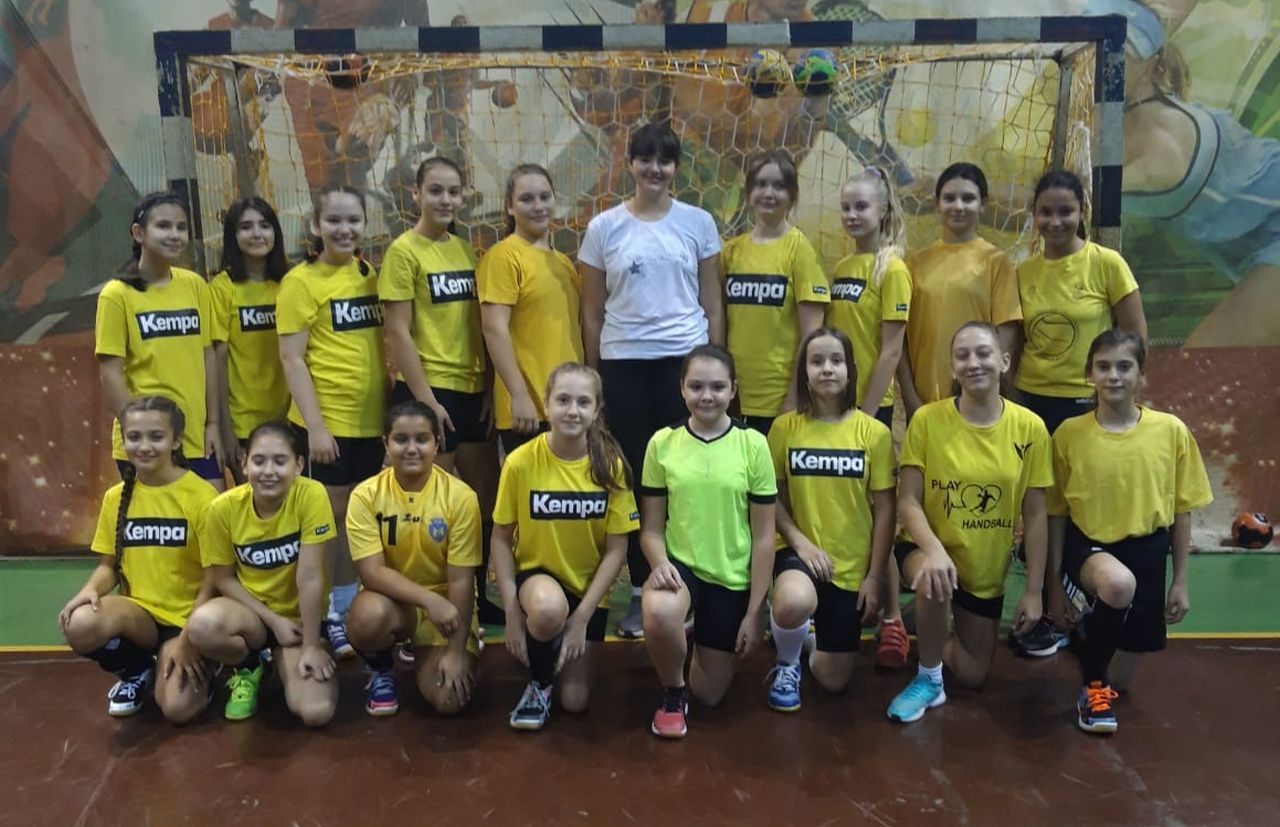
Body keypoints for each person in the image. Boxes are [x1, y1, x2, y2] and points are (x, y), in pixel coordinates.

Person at [579, 122, 724, 639]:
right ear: (631, 164)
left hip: (684, 365)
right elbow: (592, 312)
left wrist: (715, 367)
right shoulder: (604, 228)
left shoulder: (698, 222)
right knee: (638, 479)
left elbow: (712, 303)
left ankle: (690, 586)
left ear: (676, 168)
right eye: (645, 159)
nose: (655, 169)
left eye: (664, 160)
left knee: (685, 478)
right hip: (624, 366)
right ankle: (644, 589)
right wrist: (595, 379)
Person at [1047, 329, 1212, 734]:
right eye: (1103, 366)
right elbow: (1055, 513)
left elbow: (1182, 510)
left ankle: (1088, 634)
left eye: (1124, 366)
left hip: (1148, 552)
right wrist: (1053, 584)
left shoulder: (1170, 430)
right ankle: (1091, 692)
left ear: (1141, 375)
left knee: (1122, 678)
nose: (1113, 376)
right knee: (1118, 586)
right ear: (1089, 375)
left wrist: (1181, 581)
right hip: (1090, 547)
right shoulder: (1069, 434)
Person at [1011, 169, 1147, 658]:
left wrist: (1124, 399)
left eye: (1065, 211)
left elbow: (1135, 338)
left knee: (1080, 509)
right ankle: (1048, 605)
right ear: (1034, 215)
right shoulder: (1023, 273)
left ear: (1082, 211)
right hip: (1033, 405)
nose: (1055, 221)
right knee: (1041, 511)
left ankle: (1081, 600)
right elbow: (1016, 344)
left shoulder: (1107, 264)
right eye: (1045, 212)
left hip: (1086, 406)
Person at [887, 322, 1051, 724]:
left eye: (983, 353)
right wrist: (934, 551)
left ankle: (918, 620)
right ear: (953, 368)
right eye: (962, 356)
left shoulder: (1030, 428)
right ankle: (928, 680)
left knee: (973, 674)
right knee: (934, 577)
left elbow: (1035, 514)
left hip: (983, 568)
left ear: (1004, 362)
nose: (973, 362)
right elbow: (907, 500)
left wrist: (1033, 591)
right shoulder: (928, 420)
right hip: (925, 548)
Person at [381, 156, 500, 628]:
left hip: (472, 389)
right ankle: (425, 603)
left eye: (453, 191)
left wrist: (488, 386)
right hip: (431, 393)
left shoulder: (466, 251)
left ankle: (477, 596)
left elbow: (479, 325)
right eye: (435, 190)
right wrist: (426, 401)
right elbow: (398, 331)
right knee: (434, 505)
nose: (445, 200)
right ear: (416, 194)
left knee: (481, 500)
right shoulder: (403, 252)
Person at [639, 345, 776, 738]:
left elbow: (764, 536)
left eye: (717, 387)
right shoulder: (662, 443)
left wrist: (755, 611)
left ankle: (694, 635)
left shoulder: (754, 445)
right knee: (659, 611)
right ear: (682, 389)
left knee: (710, 694)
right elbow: (651, 529)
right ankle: (672, 692)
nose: (707, 396)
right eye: (696, 386)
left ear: (733, 390)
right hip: (681, 567)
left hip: (731, 577)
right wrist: (660, 563)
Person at [491, 364, 637, 730]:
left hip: (588, 592)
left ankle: (547, 644)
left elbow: (617, 550)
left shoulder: (611, 466)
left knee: (575, 702)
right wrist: (511, 611)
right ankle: (539, 683)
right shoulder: (521, 462)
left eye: (583, 402)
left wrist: (582, 617)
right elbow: (500, 538)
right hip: (538, 583)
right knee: (546, 609)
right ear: (546, 404)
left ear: (597, 409)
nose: (573, 410)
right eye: (563, 400)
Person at [57, 396, 218, 721]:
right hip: (140, 618)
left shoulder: (203, 498)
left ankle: (209, 665)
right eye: (134, 437)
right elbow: (109, 566)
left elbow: (215, 579)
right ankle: (137, 671)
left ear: (176, 440)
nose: (144, 446)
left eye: (156, 437)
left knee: (176, 709)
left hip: (187, 620)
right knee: (80, 622)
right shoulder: (115, 498)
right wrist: (90, 590)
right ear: (124, 441)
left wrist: (188, 637)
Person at [277, 184, 387, 658]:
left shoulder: (367, 274)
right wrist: (317, 428)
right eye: (334, 220)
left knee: (359, 520)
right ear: (315, 226)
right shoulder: (300, 282)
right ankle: (328, 614)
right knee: (330, 522)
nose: (345, 229)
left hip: (369, 424)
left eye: (353, 220)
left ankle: (352, 608)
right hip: (327, 426)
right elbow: (292, 359)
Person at [765, 328, 896, 710]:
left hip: (849, 565)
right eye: (817, 361)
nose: (827, 369)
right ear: (804, 373)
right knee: (793, 601)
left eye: (836, 361)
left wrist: (875, 577)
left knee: (833, 680)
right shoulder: (784, 428)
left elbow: (885, 510)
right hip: (798, 553)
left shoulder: (874, 433)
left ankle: (804, 638)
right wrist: (800, 544)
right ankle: (787, 663)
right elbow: (769, 498)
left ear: (851, 370)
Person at [185, 421, 338, 725]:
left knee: (316, 712)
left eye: (280, 461)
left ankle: (291, 657)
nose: (269, 471)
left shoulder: (312, 495)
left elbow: (310, 576)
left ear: (299, 465)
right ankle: (249, 664)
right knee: (201, 625)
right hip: (253, 617)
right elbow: (223, 578)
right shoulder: (223, 509)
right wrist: (273, 621)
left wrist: (310, 646)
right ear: (244, 464)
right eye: (259, 461)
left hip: (299, 622)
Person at [344, 400, 482, 717]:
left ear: (437, 443)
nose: (411, 449)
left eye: (421, 439)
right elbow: (372, 573)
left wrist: (456, 651)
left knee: (449, 701)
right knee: (367, 618)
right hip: (395, 603)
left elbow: (462, 580)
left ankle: (448, 647)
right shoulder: (366, 495)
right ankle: (381, 669)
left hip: (447, 607)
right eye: (400, 439)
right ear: (386, 444)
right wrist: (427, 601)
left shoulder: (461, 497)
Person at [95, 192, 223, 487]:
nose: (174, 234)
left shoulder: (195, 285)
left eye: (181, 227)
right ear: (138, 233)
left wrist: (213, 424)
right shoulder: (116, 294)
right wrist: (139, 434)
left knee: (211, 514)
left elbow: (208, 356)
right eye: (163, 226)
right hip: (147, 445)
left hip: (196, 439)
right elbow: (110, 373)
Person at [898, 163, 1021, 417]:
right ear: (937, 204)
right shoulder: (914, 263)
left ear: (983, 205)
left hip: (976, 403)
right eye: (949, 198)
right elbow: (899, 338)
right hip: (923, 406)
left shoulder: (996, 262)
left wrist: (988, 393)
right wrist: (910, 398)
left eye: (968, 198)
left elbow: (1007, 334)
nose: (958, 206)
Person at [478, 164, 584, 457]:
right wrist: (518, 394)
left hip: (569, 405)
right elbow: (494, 329)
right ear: (510, 207)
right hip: (530, 411)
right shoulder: (503, 256)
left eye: (544, 197)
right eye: (527, 199)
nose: (538, 206)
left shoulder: (563, 263)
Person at [721, 149, 828, 435]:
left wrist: (793, 398)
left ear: (792, 196)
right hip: (731, 397)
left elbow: (812, 336)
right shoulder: (731, 251)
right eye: (761, 184)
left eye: (779, 186)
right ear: (748, 193)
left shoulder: (801, 251)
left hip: (779, 401)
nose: (769, 193)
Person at [210, 197, 292, 483]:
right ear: (232, 236)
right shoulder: (223, 287)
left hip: (291, 420)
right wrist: (226, 430)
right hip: (244, 422)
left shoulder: (292, 282)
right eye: (246, 227)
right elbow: (218, 361)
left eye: (265, 225)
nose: (257, 233)